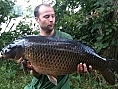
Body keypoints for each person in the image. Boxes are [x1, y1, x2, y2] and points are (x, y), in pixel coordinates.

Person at [24, 4, 92, 89]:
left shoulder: (65, 38)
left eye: (53, 16)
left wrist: (80, 69)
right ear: (37, 19)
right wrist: (34, 70)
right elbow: (36, 75)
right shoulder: (32, 43)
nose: (51, 20)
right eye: (47, 17)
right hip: (39, 86)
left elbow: (73, 67)